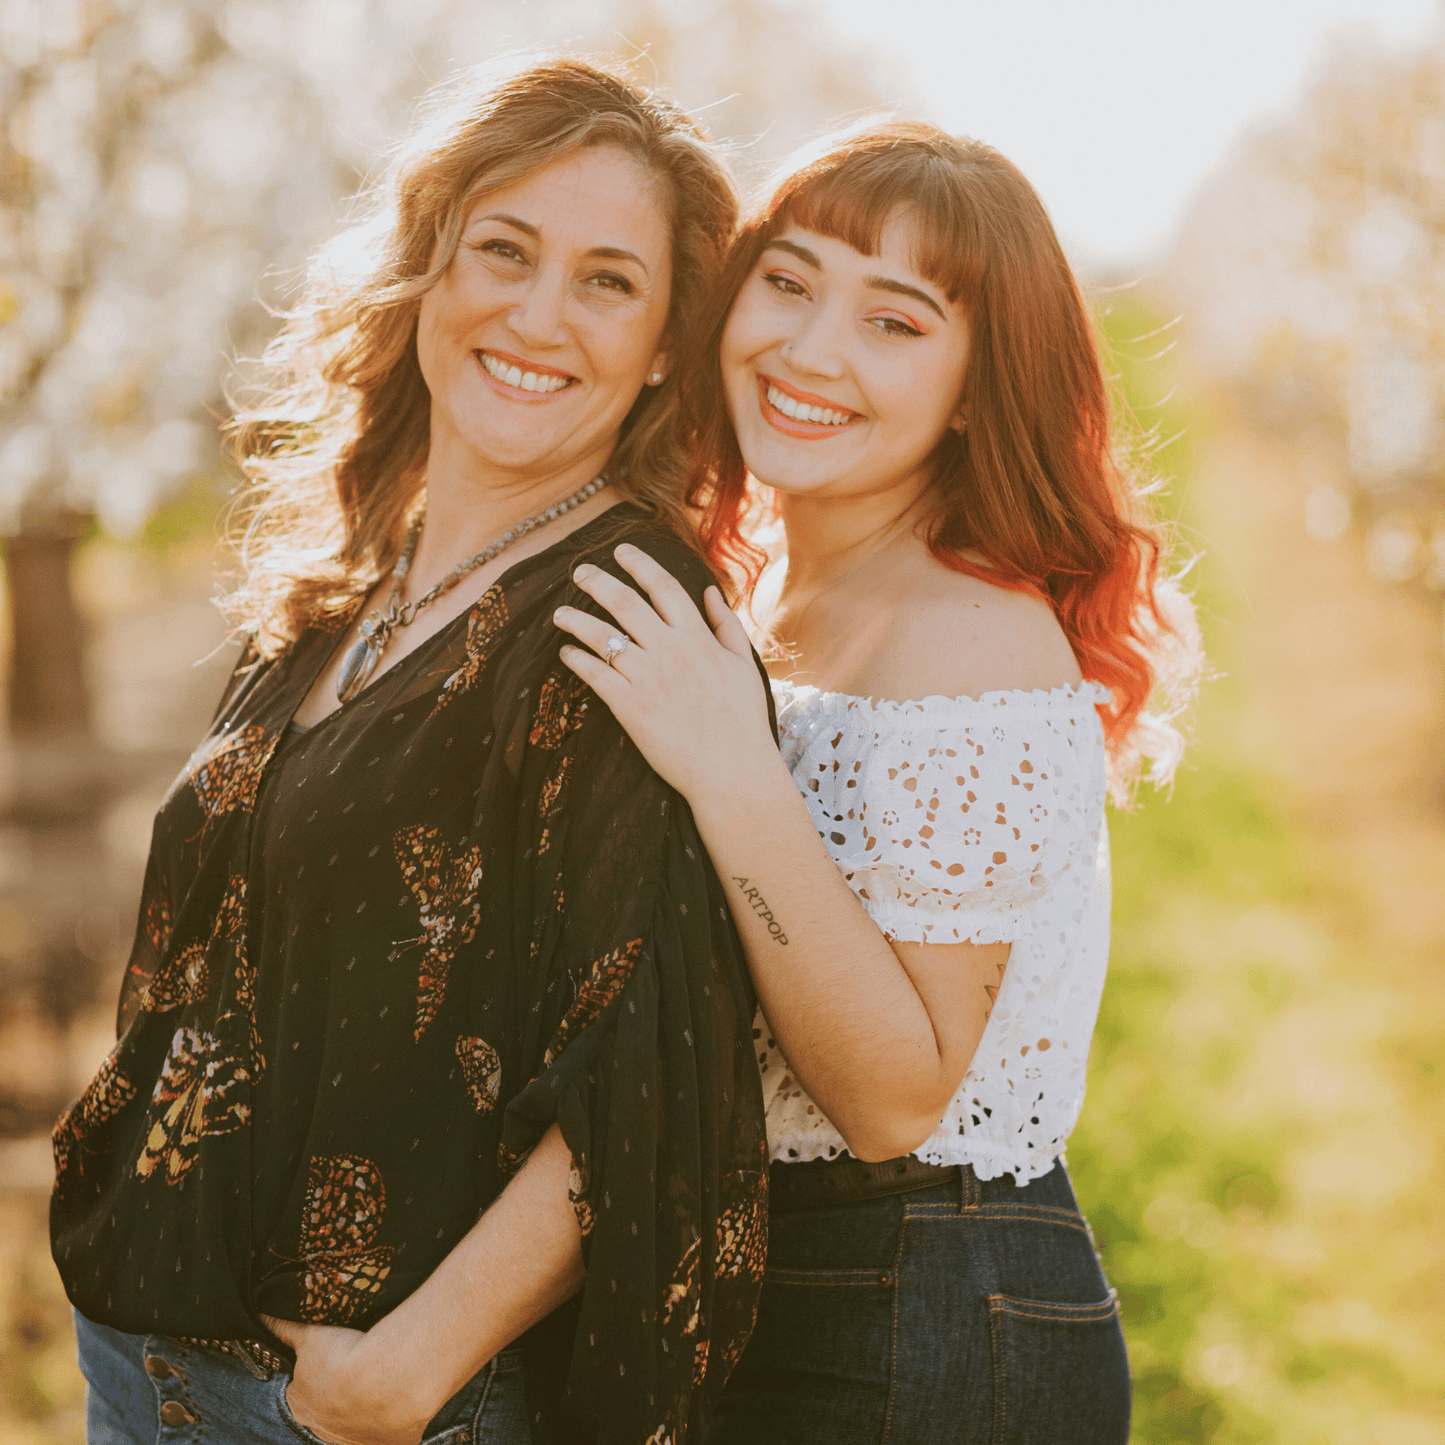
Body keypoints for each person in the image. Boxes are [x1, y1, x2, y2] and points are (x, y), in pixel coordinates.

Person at [50, 57, 769, 1445]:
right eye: (503, 249)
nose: (537, 311)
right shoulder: (355, 584)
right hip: (146, 1363)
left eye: (609, 280)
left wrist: (399, 1374)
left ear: (671, 342)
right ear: (428, 265)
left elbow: (654, 1061)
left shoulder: (621, 617)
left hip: (356, 1407)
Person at [554, 120, 1201, 1443]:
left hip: (924, 1300)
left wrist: (734, 774)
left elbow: (896, 1094)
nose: (811, 349)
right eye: (788, 281)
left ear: (976, 385)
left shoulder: (964, 635)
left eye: (895, 322)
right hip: (774, 1274)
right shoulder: (769, 598)